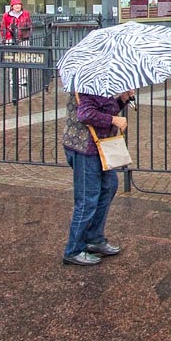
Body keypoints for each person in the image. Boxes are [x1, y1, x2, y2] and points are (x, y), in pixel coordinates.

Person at [60, 89, 133, 266]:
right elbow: (85, 114)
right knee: (87, 198)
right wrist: (113, 120)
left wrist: (122, 100)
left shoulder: (99, 84)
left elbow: (103, 107)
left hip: (98, 147)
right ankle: (74, 250)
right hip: (84, 148)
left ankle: (94, 238)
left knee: (109, 186)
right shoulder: (87, 85)